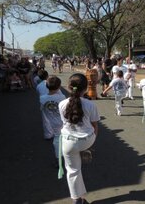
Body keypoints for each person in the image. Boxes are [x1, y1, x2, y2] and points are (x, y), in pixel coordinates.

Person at [58, 73, 100, 204]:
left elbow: (64, 122)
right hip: (87, 139)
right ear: (86, 88)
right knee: (83, 149)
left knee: (73, 171)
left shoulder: (62, 104)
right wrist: (92, 142)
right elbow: (95, 126)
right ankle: (86, 149)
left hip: (69, 141)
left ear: (69, 87)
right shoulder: (90, 105)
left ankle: (76, 199)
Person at [39, 76, 66, 166]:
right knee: (65, 138)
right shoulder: (62, 97)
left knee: (57, 139)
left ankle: (59, 159)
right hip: (63, 121)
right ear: (59, 87)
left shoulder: (42, 98)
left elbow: (42, 109)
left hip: (52, 122)